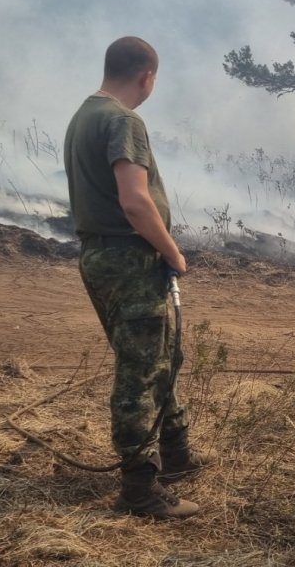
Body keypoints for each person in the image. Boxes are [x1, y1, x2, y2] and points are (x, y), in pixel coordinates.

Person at [63, 36, 203, 519]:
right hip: (130, 259)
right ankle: (140, 489)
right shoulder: (124, 121)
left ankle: (178, 455)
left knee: (162, 354)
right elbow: (135, 200)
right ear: (146, 76)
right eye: (154, 80)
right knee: (140, 372)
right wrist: (173, 252)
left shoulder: (84, 115)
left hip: (99, 257)